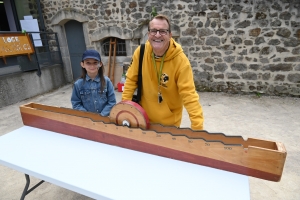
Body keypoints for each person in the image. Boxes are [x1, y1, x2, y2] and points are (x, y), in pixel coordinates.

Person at [122, 14, 204, 130]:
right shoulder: (140, 52)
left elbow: (189, 95)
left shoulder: (181, 61)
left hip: (169, 124)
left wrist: (197, 127)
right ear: (148, 34)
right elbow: (130, 81)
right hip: (143, 119)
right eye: (153, 31)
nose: (157, 35)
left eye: (163, 31)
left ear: (170, 35)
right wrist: (125, 110)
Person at [71, 49, 116, 116]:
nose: (92, 66)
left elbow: (112, 102)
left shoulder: (107, 81)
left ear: (100, 64)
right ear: (82, 64)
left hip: (105, 119)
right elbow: (76, 103)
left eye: (95, 63)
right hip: (87, 121)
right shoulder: (78, 84)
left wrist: (102, 115)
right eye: (88, 63)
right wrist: (88, 116)